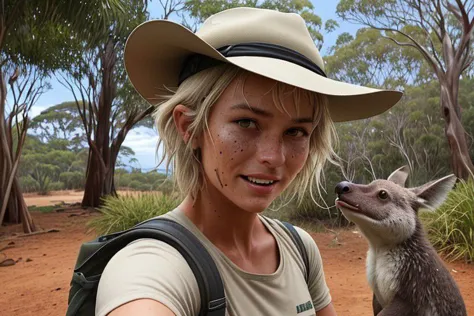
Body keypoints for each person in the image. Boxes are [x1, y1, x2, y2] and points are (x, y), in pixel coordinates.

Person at [95, 7, 402, 316]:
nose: (274, 157)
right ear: (189, 127)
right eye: (246, 122)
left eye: (296, 131)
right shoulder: (151, 266)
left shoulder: (299, 249)